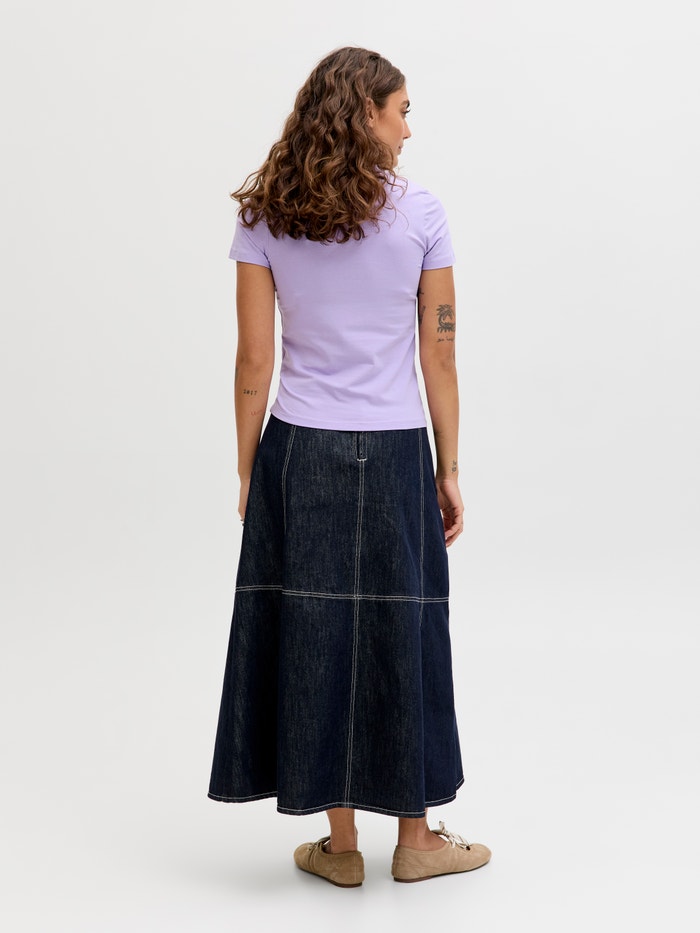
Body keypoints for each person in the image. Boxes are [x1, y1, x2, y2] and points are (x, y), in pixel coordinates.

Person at [208, 46, 491, 887]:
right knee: (404, 633)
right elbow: (440, 354)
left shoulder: (266, 215)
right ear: (366, 112)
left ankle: (340, 846)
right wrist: (448, 467)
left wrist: (251, 469)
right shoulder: (422, 214)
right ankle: (416, 839)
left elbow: (253, 361)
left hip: (302, 447)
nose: (408, 129)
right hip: (397, 447)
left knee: (316, 634)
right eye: (401, 110)